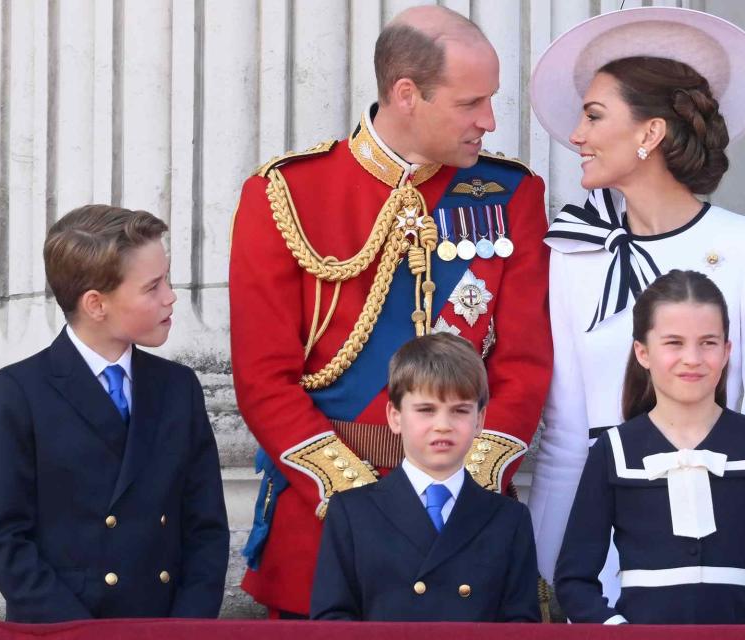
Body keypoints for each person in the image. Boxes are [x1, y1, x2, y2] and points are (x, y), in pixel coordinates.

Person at [230, 5, 552, 617]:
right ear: (407, 94)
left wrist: (466, 485)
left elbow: (525, 364)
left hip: (467, 523)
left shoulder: (512, 195)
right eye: (470, 103)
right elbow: (262, 381)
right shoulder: (286, 193)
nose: (488, 120)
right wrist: (364, 505)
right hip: (327, 529)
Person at [526, 6, 745, 605]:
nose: (576, 135)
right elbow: (567, 434)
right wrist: (549, 565)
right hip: (599, 546)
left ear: (650, 134)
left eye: (594, 116)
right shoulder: (574, 252)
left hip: (716, 547)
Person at [0, 205, 229, 622]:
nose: (171, 296)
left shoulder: (178, 388)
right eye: (152, 286)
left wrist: (186, 629)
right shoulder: (19, 392)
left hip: (164, 628)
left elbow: (206, 529)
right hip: (62, 630)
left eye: (167, 279)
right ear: (96, 304)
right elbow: (5, 539)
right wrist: (77, 633)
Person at [554, 270, 745, 624]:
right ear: (643, 352)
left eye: (708, 342)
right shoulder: (612, 450)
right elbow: (573, 581)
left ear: (726, 350)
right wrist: (618, 631)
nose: (693, 358)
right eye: (674, 343)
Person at [310, 333, 540, 622]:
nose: (442, 425)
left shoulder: (509, 519)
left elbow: (520, 627)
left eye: (459, 411)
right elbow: (333, 623)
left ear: (480, 420)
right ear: (395, 417)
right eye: (426, 410)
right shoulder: (352, 513)